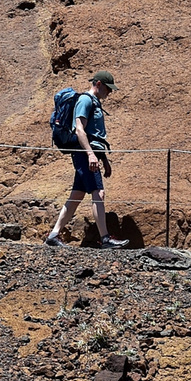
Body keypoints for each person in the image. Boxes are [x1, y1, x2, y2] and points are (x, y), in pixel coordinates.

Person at [48, 72, 126, 249]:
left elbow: (95, 135)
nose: (110, 93)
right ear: (98, 84)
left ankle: (53, 235)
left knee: (77, 195)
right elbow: (80, 130)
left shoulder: (94, 102)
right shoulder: (85, 100)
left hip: (88, 154)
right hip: (84, 154)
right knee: (98, 193)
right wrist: (91, 154)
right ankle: (105, 239)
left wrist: (103, 158)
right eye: (108, 88)